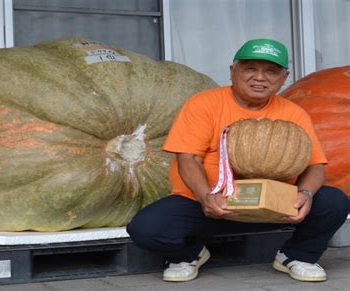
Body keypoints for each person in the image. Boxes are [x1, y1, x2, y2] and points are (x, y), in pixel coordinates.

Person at [126, 38, 348, 283]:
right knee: (146, 228)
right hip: (210, 206)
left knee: (333, 201)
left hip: (273, 207)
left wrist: (305, 194)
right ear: (234, 71)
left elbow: (315, 165)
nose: (260, 78)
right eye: (250, 68)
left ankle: (296, 256)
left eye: (271, 71)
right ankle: (188, 254)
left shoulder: (294, 113)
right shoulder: (204, 104)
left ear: (284, 78)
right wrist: (205, 196)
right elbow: (188, 158)